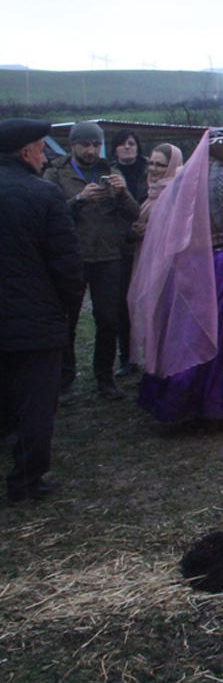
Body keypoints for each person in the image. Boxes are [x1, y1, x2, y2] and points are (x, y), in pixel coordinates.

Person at [131, 129, 223, 425]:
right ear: (221, 150)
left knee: (195, 330)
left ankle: (183, 399)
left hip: (195, 262)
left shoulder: (186, 178)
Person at [0, 119, 85, 503]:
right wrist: (68, 310)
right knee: (36, 403)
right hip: (35, 321)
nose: (43, 154)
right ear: (25, 153)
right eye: (39, 148)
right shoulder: (45, 195)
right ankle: (25, 481)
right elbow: (67, 265)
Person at [43, 121, 140, 401]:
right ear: (72, 145)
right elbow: (48, 214)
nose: (91, 150)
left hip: (108, 256)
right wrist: (78, 199)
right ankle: (64, 379)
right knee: (67, 321)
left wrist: (121, 193)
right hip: (72, 257)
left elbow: (134, 213)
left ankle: (105, 378)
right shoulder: (55, 173)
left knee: (108, 320)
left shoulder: (110, 171)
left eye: (96, 145)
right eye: (85, 144)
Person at [110, 130, 148, 379]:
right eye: (122, 144)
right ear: (114, 149)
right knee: (123, 302)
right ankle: (127, 357)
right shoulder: (110, 173)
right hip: (122, 245)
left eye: (132, 143)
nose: (128, 148)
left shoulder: (150, 169)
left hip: (149, 240)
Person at [130, 144, 184, 265]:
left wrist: (150, 229)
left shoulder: (178, 192)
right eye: (151, 163)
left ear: (172, 166)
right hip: (146, 256)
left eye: (160, 165)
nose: (153, 169)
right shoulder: (149, 190)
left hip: (167, 261)